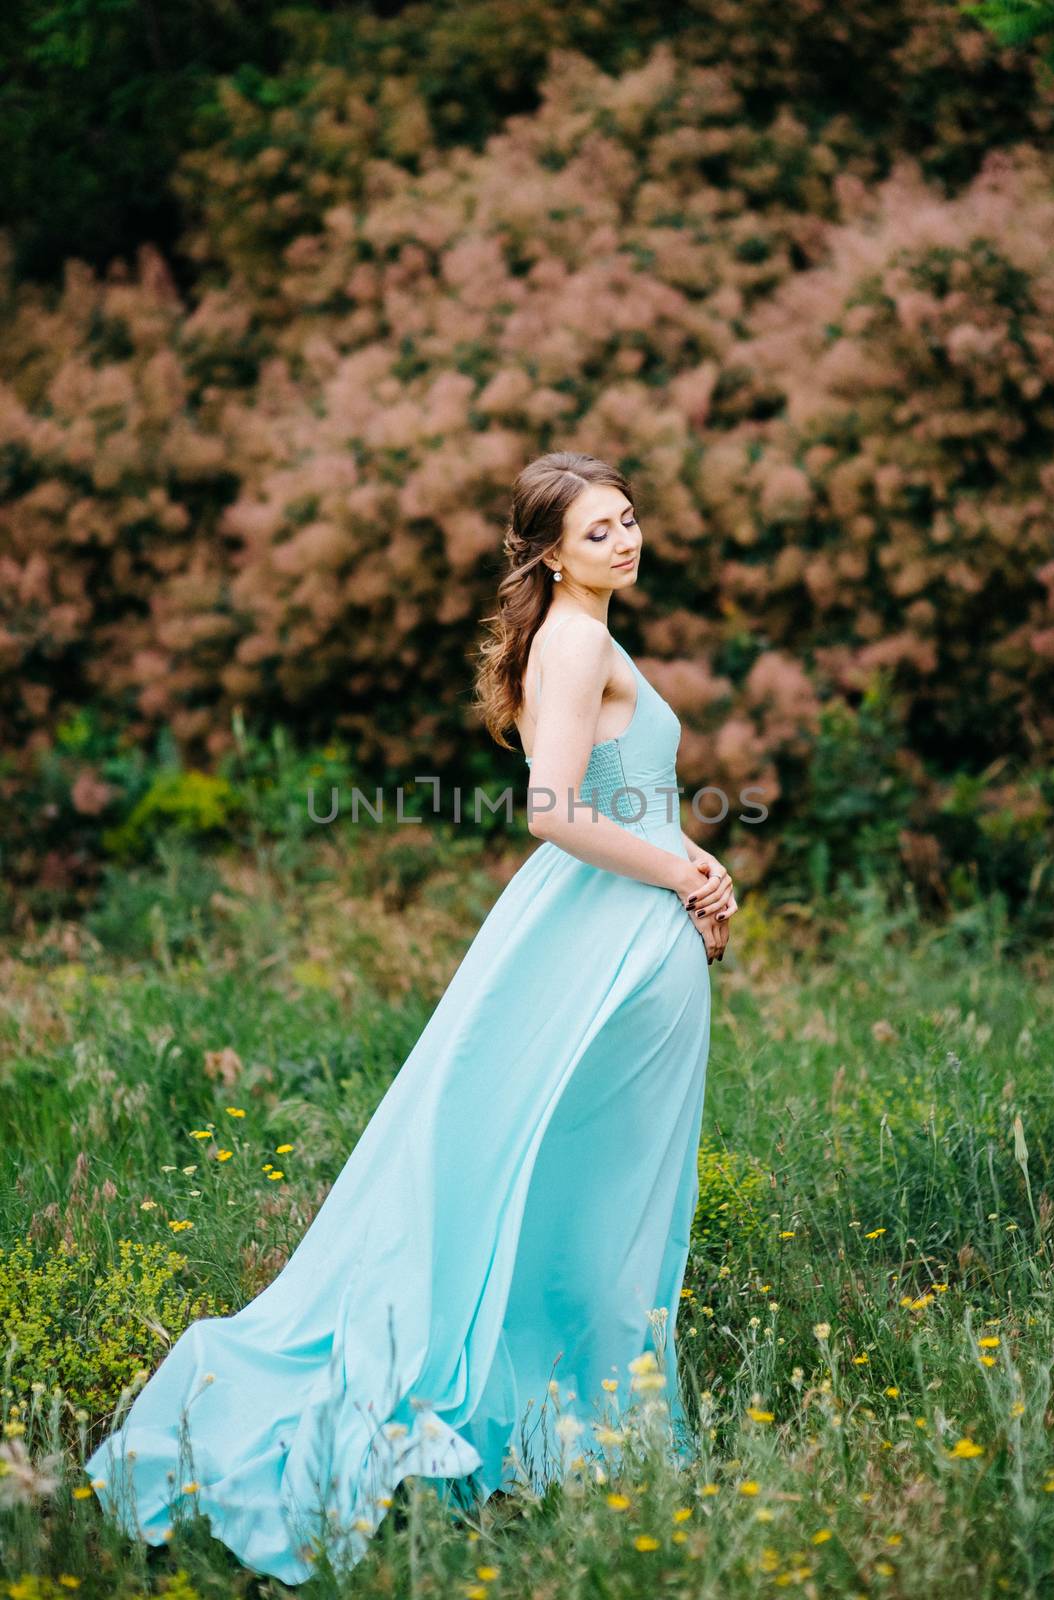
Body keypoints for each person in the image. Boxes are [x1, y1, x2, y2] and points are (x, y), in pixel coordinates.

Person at [83, 450, 738, 1585]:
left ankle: (560, 1441)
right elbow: (553, 811)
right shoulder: (576, 639)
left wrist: (691, 851)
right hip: (608, 938)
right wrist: (681, 877)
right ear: (545, 550)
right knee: (602, 1206)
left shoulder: (582, 630)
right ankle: (592, 1448)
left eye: (628, 520)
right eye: (597, 531)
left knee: (564, 1193)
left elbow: (629, 795)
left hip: (613, 927)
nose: (625, 541)